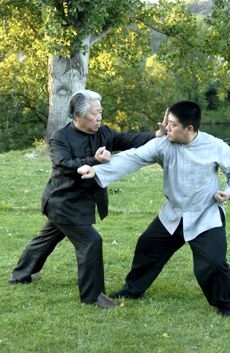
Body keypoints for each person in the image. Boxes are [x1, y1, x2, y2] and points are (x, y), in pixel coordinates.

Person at [77, 100, 230, 316]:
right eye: (168, 122)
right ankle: (132, 290)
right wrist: (97, 171)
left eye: (173, 124)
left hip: (205, 214)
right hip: (173, 214)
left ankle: (224, 304)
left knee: (213, 263)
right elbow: (134, 157)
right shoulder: (163, 144)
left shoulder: (215, 146)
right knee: (147, 247)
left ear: (190, 129)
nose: (167, 127)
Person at [8, 89, 163, 308]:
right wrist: (94, 160)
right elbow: (64, 164)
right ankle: (93, 296)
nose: (99, 117)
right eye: (94, 113)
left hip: (82, 202)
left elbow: (127, 139)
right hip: (63, 202)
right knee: (91, 241)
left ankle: (19, 274)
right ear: (78, 116)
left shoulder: (104, 132)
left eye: (100, 112)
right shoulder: (60, 138)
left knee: (47, 238)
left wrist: (156, 135)